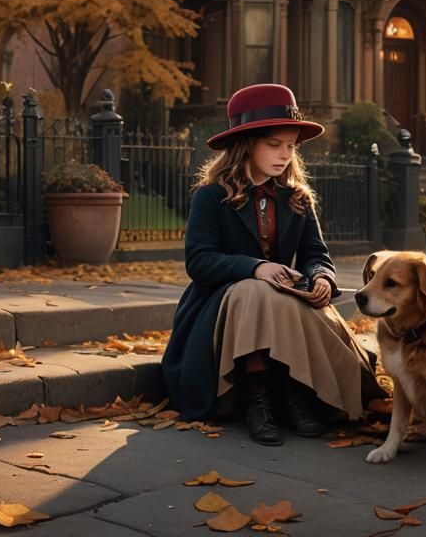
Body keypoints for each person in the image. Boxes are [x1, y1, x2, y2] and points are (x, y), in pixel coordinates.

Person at [161, 84, 382, 446]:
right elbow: (199, 262)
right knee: (253, 290)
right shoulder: (210, 196)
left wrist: (321, 277)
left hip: (282, 299)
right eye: (274, 144)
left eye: (291, 146)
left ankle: (293, 392)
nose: (285, 154)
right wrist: (254, 267)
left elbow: (316, 253)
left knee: (278, 297)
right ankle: (258, 398)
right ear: (247, 143)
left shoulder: (296, 198)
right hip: (219, 305)